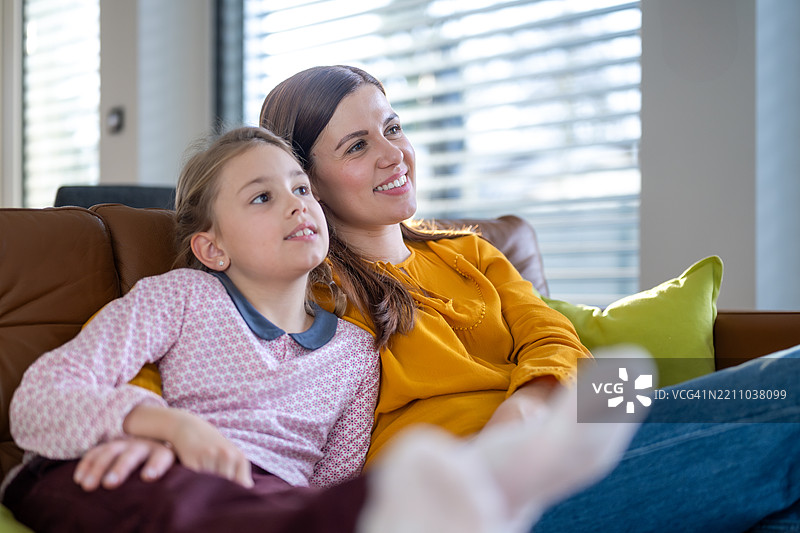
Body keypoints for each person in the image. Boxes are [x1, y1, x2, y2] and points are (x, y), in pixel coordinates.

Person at [1, 126, 643, 533]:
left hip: (276, 502)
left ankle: (478, 495)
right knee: (209, 505)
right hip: (149, 476)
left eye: (301, 189)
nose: (295, 204)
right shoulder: (179, 298)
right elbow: (41, 399)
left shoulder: (357, 350)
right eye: (262, 197)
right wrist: (161, 426)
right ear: (212, 248)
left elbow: (332, 478)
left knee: (310, 509)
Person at [257, 65, 800, 532]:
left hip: (561, 437)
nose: (393, 154)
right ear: (307, 181)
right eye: (357, 146)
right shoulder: (308, 289)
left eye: (393, 128)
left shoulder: (470, 252)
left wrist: (524, 406)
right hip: (477, 492)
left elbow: (553, 337)